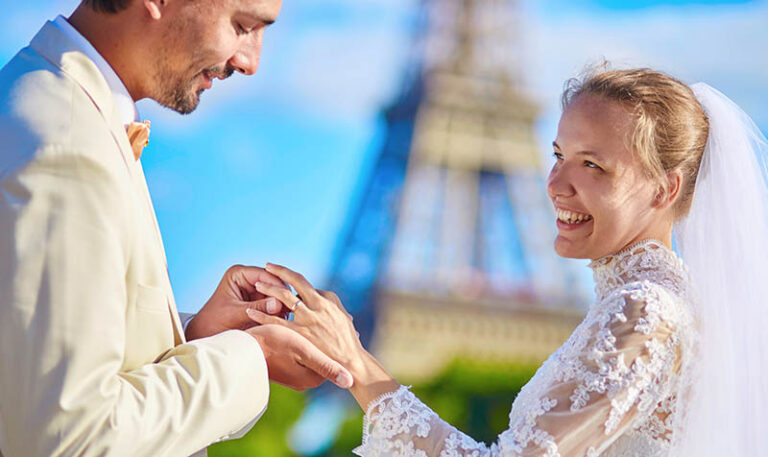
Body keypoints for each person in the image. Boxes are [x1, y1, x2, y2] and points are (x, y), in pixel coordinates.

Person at [248, 68, 768, 456]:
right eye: (559, 155)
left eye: (593, 165)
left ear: (665, 188)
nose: (556, 183)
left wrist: (358, 365)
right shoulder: (661, 304)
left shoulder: (644, 311)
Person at [0, 1, 354, 456]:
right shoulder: (67, 145)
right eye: (242, 25)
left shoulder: (42, 104)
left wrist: (197, 337)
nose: (250, 62)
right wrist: (252, 357)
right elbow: (71, 438)